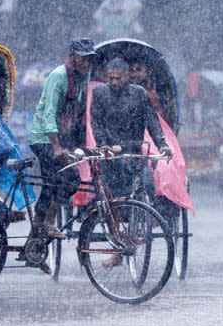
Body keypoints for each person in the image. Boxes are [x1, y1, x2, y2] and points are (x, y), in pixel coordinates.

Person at [26, 38, 94, 249]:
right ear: (72, 57)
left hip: (63, 137)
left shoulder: (84, 77)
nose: (85, 63)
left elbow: (80, 114)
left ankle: (33, 243)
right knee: (68, 178)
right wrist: (55, 146)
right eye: (82, 58)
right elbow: (49, 114)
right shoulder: (59, 76)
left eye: (89, 59)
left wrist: (83, 144)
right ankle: (47, 222)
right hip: (43, 137)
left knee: (52, 184)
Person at [90, 57, 173, 198]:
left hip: (134, 152)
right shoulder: (99, 93)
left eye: (118, 78)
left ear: (127, 76)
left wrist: (162, 145)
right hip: (109, 154)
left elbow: (152, 121)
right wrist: (103, 144)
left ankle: (148, 214)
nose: (114, 82)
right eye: (110, 78)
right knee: (108, 194)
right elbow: (96, 123)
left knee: (147, 182)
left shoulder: (139, 94)